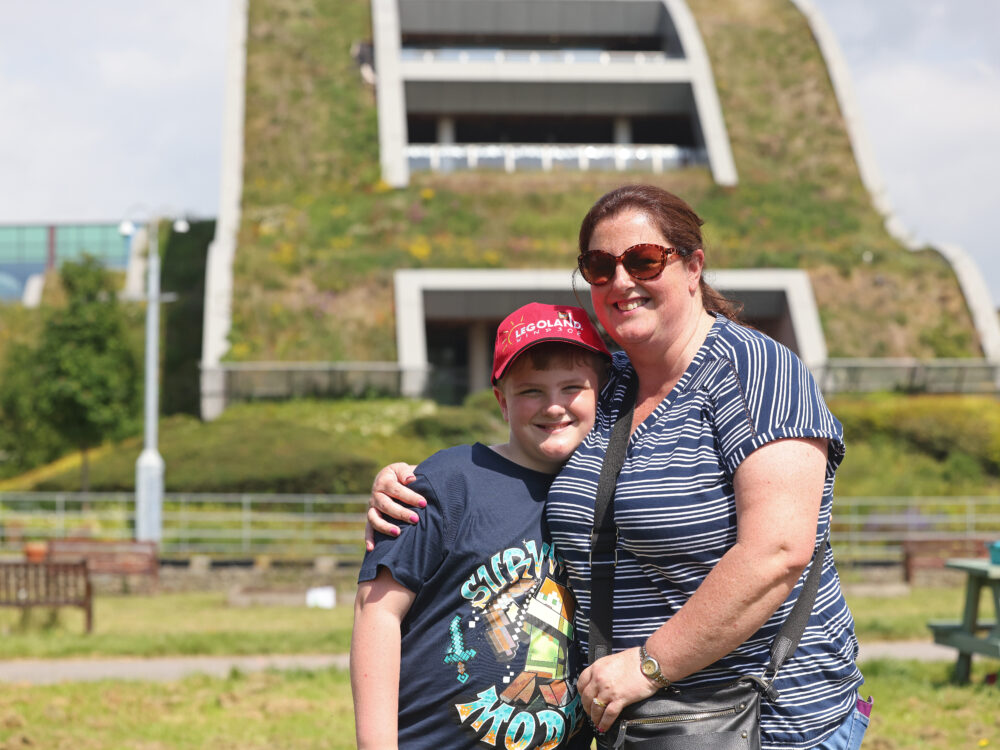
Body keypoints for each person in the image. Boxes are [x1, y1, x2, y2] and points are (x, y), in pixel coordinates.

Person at [368, 184, 869, 750]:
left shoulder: (755, 371)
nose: (622, 280)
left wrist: (650, 666)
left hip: (759, 719)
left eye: (644, 260)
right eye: (600, 266)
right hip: (639, 727)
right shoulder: (611, 385)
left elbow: (778, 552)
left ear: (692, 266)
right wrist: (414, 484)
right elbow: (528, 448)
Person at [351, 302, 611, 750]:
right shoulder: (450, 481)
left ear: (600, 393)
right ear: (501, 399)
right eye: (530, 390)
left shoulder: (615, 493)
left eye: (572, 386)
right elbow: (375, 611)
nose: (553, 406)